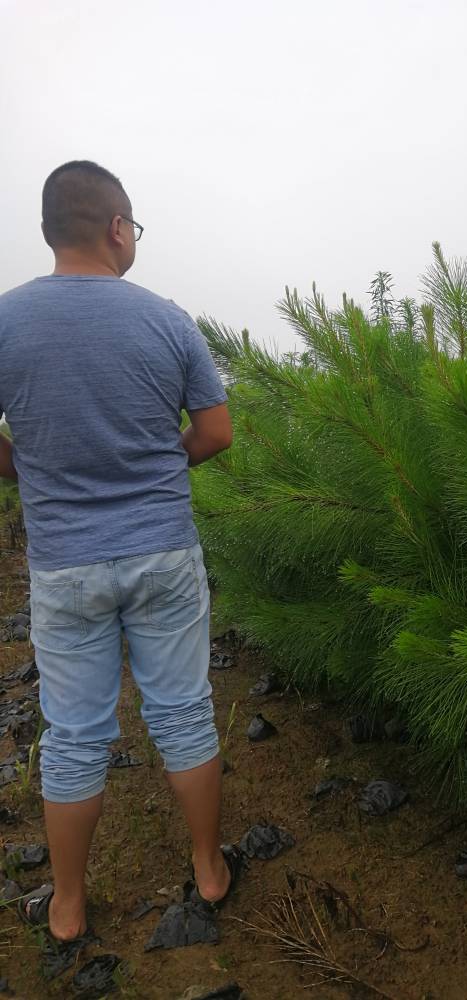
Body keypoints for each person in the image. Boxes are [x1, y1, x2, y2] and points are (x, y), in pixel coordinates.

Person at [0, 160, 239, 943]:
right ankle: (208, 867)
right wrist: (160, 462)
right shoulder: (166, 320)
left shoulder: (7, 321)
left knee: (73, 734)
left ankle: (67, 905)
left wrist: (30, 465)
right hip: (162, 551)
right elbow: (216, 433)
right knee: (183, 713)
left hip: (66, 563)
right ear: (115, 227)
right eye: (133, 226)